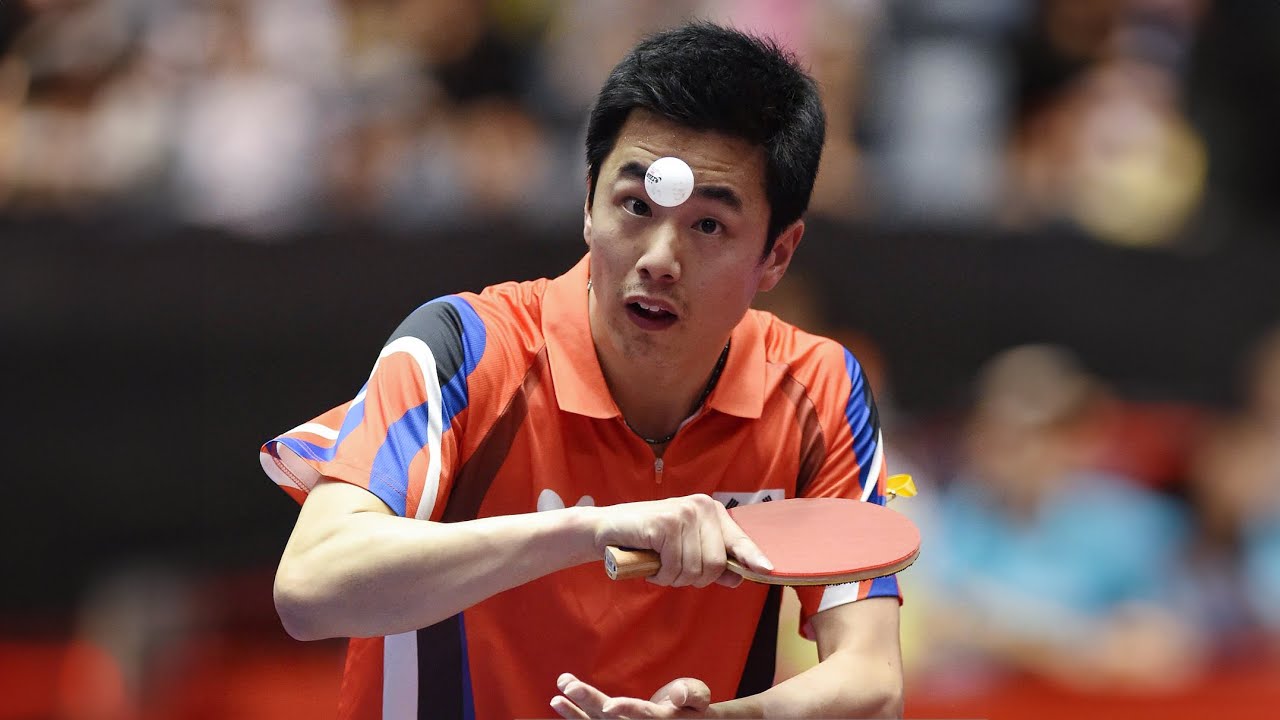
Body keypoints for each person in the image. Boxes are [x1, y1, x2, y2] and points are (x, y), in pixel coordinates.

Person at [261, 22, 903, 720]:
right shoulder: (465, 349)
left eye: (708, 226)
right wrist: (593, 530)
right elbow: (309, 588)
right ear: (589, 203)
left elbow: (872, 682)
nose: (659, 256)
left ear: (778, 255)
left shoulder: (819, 390)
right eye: (635, 206)